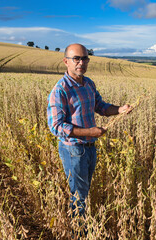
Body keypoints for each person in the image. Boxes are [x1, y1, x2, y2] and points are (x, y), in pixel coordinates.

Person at [47, 43, 132, 216]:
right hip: (73, 149)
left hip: (90, 148)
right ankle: (80, 230)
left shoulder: (88, 83)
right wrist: (89, 132)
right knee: (78, 196)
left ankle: (83, 226)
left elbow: (100, 106)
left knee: (83, 191)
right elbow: (56, 126)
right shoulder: (60, 90)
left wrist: (119, 109)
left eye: (84, 58)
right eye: (76, 58)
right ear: (66, 61)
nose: (81, 62)